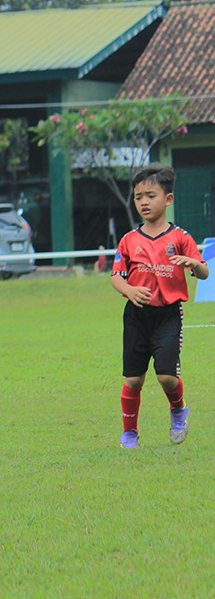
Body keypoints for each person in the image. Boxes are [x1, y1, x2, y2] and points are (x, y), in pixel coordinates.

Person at [110, 164, 208, 449]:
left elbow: (204, 273)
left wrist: (194, 264)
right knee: (133, 380)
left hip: (168, 315)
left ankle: (178, 411)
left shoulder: (181, 238)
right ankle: (130, 433)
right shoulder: (129, 240)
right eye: (138, 196)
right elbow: (116, 277)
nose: (143, 202)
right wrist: (129, 290)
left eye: (150, 195)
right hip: (136, 317)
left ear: (168, 199)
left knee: (166, 376)